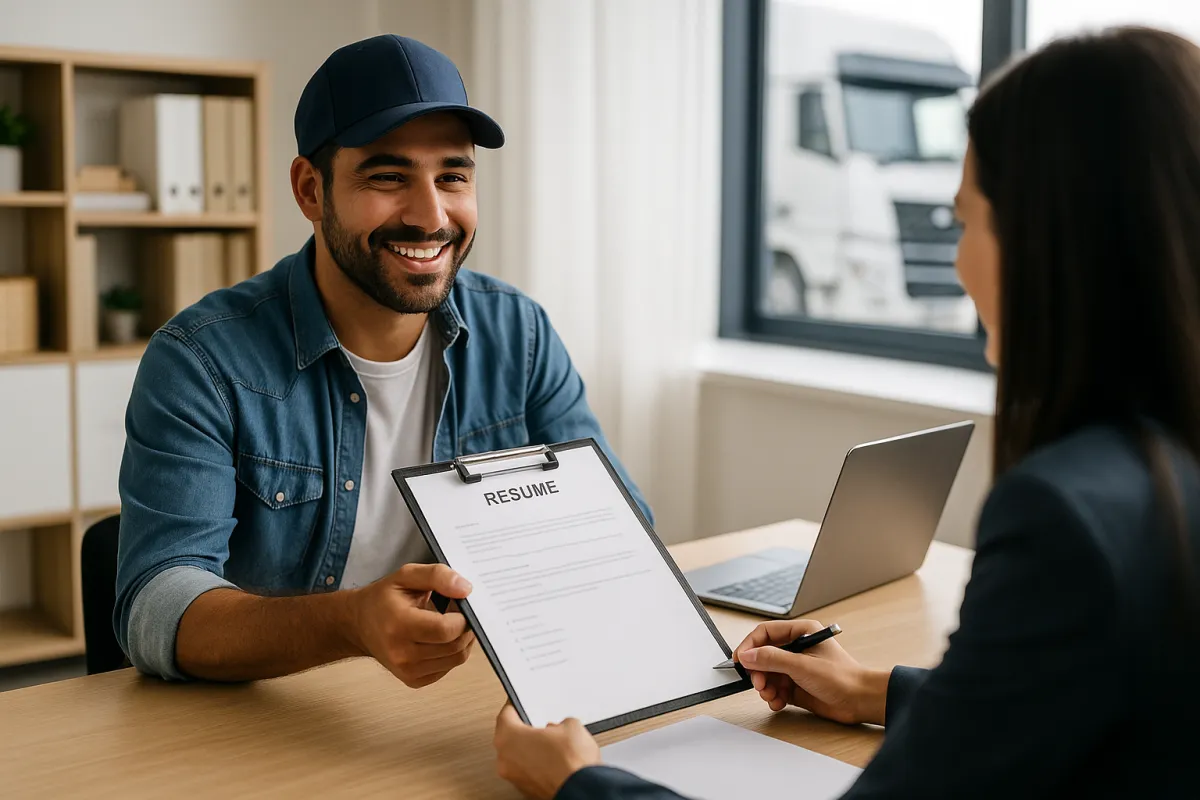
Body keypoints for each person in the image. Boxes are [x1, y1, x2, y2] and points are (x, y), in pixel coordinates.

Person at [492, 25, 1200, 799]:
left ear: (1046, 237)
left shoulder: (1063, 517)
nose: (960, 263)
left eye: (967, 221)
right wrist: (870, 690)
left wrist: (576, 784)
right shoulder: (1162, 472)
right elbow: (1075, 694)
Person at [115, 35, 650, 685]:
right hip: (271, 719)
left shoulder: (520, 333)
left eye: (452, 176)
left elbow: (619, 529)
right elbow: (155, 607)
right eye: (388, 177)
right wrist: (350, 624)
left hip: (460, 701)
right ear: (310, 190)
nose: (431, 217)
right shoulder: (202, 362)